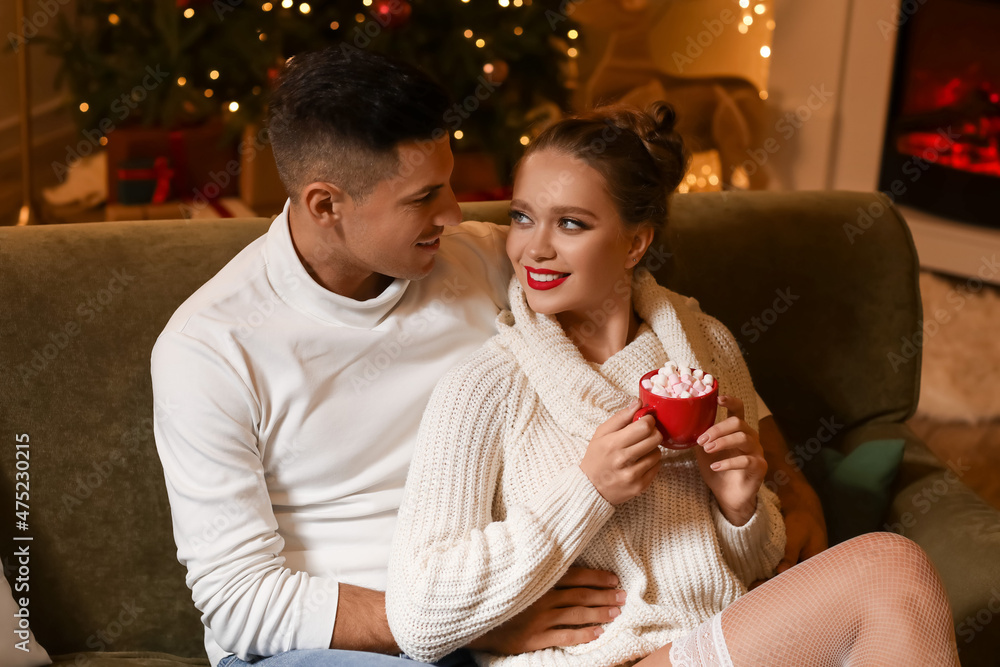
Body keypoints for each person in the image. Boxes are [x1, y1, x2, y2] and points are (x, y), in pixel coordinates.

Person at [386, 103, 961, 666]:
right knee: (889, 568)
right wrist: (588, 491)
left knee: (891, 585)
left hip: (713, 642)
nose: (533, 248)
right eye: (521, 216)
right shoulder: (485, 387)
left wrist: (742, 511)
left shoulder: (705, 348)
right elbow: (418, 618)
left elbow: (754, 568)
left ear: (636, 243)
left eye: (570, 223)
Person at [151, 47, 638, 667]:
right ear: (326, 205)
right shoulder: (210, 348)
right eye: (423, 197)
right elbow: (242, 601)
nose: (456, 213)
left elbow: (643, 304)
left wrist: (778, 464)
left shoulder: (480, 259)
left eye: (450, 181)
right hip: (327, 649)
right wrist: (465, 622)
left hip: (508, 609)